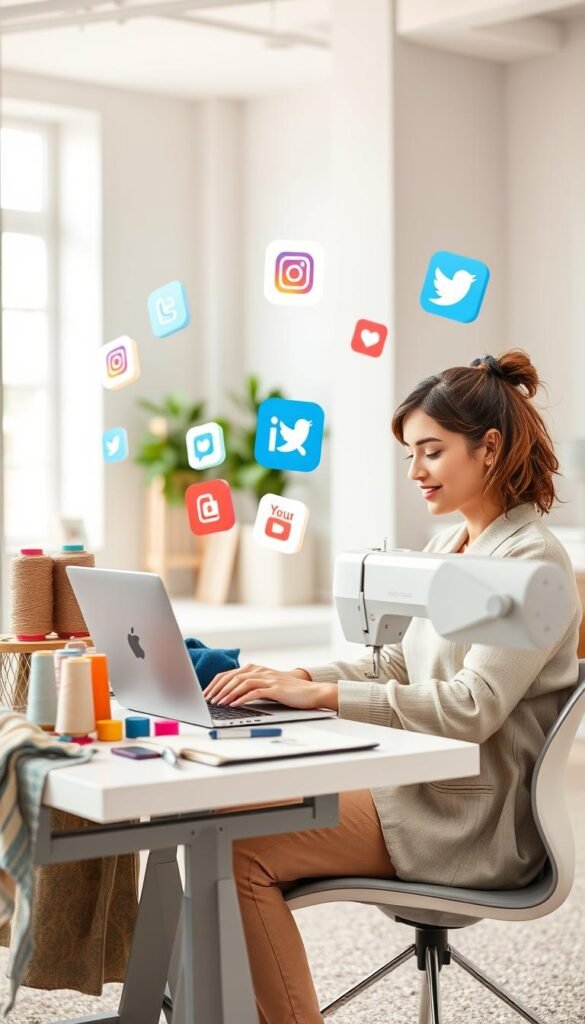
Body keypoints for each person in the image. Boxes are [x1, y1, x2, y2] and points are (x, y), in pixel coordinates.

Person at [202, 349, 582, 1024]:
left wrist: (319, 698)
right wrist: (294, 677)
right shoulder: (448, 549)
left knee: (233, 851)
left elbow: (471, 708)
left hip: (466, 815)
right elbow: (395, 668)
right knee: (220, 815)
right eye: (410, 454)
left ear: (487, 448)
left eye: (430, 452)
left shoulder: (532, 564)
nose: (414, 473)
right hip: (416, 785)